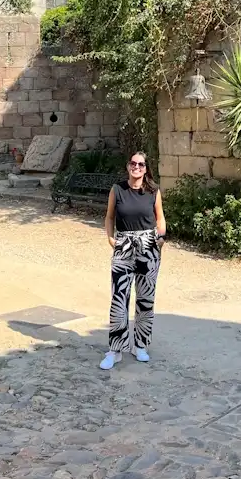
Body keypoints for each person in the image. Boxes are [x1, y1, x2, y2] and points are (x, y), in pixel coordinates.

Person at [100, 152, 166, 370]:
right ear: (128, 166)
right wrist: (111, 239)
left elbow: (160, 217)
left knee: (145, 298)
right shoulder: (117, 190)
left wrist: (161, 236)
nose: (136, 167)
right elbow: (109, 216)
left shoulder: (153, 191)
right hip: (124, 244)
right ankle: (116, 349)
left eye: (141, 164)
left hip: (148, 244)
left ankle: (140, 345)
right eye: (133, 163)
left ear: (146, 169)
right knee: (119, 297)